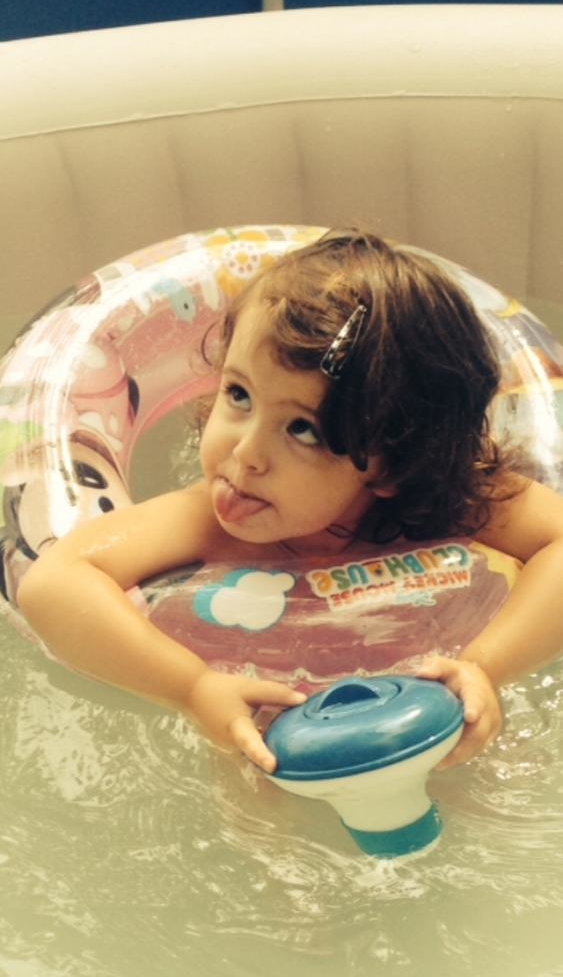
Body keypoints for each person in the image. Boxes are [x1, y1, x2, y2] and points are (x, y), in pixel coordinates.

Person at [17, 230, 563, 774]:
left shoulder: (450, 503)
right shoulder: (209, 520)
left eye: (302, 429)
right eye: (238, 394)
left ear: (392, 464)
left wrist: (485, 667)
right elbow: (53, 583)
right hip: (270, 737)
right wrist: (192, 687)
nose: (245, 453)